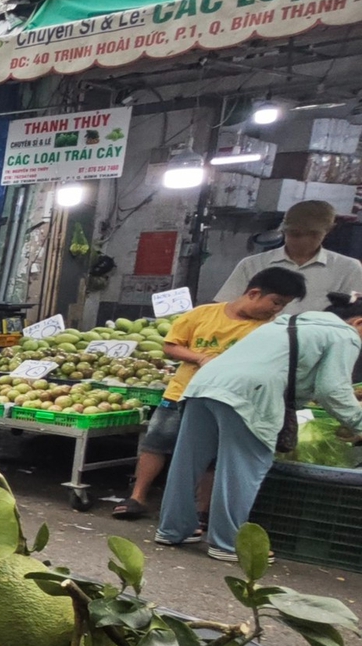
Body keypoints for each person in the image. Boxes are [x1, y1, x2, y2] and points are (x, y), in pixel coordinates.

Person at [157, 291, 362, 561]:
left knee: (187, 462)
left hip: (203, 385)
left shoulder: (286, 323)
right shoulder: (345, 335)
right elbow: (332, 390)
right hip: (250, 394)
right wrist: (358, 423)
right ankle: (228, 543)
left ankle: (171, 529)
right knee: (241, 468)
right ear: (358, 322)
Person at [114, 266, 306, 520]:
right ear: (254, 293)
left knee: (212, 456)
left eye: (283, 305)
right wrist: (201, 357)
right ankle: (137, 497)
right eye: (276, 302)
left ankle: (201, 510)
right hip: (181, 393)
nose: (277, 310)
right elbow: (171, 346)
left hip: (225, 401)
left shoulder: (270, 330)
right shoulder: (204, 314)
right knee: (156, 444)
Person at [213, 200, 362, 315]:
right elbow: (223, 308)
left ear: (330, 229)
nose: (303, 241)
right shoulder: (253, 264)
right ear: (283, 230)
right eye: (295, 234)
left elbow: (354, 317)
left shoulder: (348, 269)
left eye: (313, 235)